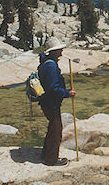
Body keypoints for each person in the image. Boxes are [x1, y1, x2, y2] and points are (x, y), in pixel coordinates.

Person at [38, 37, 76, 166]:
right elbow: (53, 89)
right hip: (51, 103)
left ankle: (45, 153)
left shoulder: (45, 63)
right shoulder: (51, 66)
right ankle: (51, 159)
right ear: (53, 51)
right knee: (56, 132)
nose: (61, 52)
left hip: (46, 102)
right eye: (59, 50)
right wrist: (67, 93)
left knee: (52, 128)